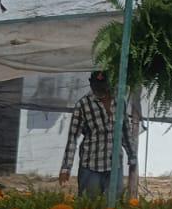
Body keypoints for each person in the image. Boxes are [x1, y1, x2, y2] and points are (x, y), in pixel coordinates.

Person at [59, 70, 138, 198]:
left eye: (103, 86)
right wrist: (66, 168)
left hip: (114, 165)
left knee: (113, 206)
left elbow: (125, 131)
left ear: (109, 84)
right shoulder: (83, 105)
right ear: (91, 84)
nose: (99, 90)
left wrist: (132, 156)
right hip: (90, 166)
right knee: (89, 206)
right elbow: (73, 138)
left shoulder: (119, 102)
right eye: (96, 86)